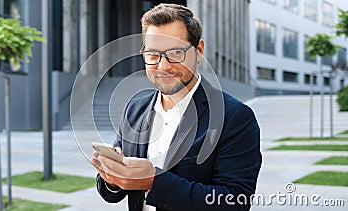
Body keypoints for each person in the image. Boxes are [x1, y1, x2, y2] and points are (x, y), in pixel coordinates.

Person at [91, 3, 261, 211]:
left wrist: (153, 182)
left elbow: (234, 202)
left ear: (198, 51)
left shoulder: (234, 117)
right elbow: (111, 193)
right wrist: (112, 178)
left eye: (175, 53)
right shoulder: (136, 109)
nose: (163, 66)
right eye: (153, 54)